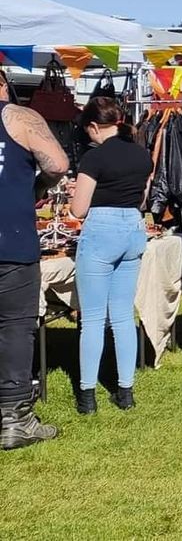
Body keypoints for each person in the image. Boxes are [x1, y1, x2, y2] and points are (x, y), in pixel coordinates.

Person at [69, 98, 153, 414]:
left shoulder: (94, 159)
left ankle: (87, 396)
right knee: (122, 315)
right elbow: (142, 199)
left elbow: (78, 209)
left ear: (94, 126)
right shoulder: (143, 154)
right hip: (133, 227)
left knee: (92, 319)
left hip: (101, 229)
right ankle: (125, 391)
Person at [0, 68, 69, 449]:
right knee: (14, 327)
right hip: (10, 241)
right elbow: (58, 164)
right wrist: (36, 184)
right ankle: (14, 418)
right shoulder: (18, 117)